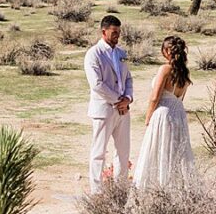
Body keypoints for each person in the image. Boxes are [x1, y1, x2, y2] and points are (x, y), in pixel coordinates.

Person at [132, 34, 196, 191]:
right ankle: (175, 186)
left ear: (166, 51)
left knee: (158, 149)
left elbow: (155, 96)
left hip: (164, 113)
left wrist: (148, 117)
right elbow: (181, 98)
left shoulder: (165, 69)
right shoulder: (184, 72)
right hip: (178, 113)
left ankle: (157, 186)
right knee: (175, 151)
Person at [83, 14, 132, 193]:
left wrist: (128, 98)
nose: (117, 35)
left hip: (123, 110)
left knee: (123, 151)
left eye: (119, 32)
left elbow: (128, 78)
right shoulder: (93, 54)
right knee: (99, 153)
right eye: (114, 32)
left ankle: (121, 189)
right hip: (104, 109)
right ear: (104, 31)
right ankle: (97, 192)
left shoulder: (121, 53)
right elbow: (96, 84)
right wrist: (117, 100)